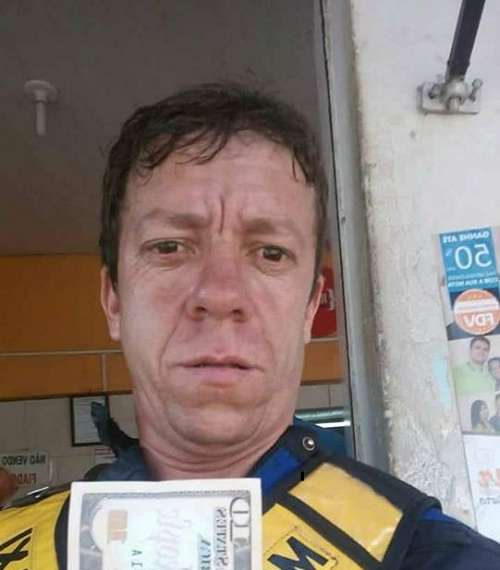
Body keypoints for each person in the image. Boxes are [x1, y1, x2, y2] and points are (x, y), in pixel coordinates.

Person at [1, 83, 500, 568]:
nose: (220, 295)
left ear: (310, 308)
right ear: (113, 300)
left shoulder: (429, 555)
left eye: (270, 253)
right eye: (170, 247)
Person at [452, 336, 496, 431]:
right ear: (470, 350)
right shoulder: (455, 372)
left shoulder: (492, 374)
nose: (482, 351)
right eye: (477, 347)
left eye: (485, 349)